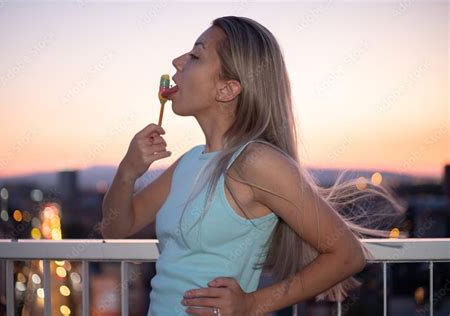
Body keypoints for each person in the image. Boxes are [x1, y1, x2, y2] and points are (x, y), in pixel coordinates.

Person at [101, 16, 406, 316]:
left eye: (195, 55)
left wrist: (251, 304)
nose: (177, 61)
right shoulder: (189, 161)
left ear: (227, 89)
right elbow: (116, 229)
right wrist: (127, 172)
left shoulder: (256, 162)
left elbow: (347, 255)